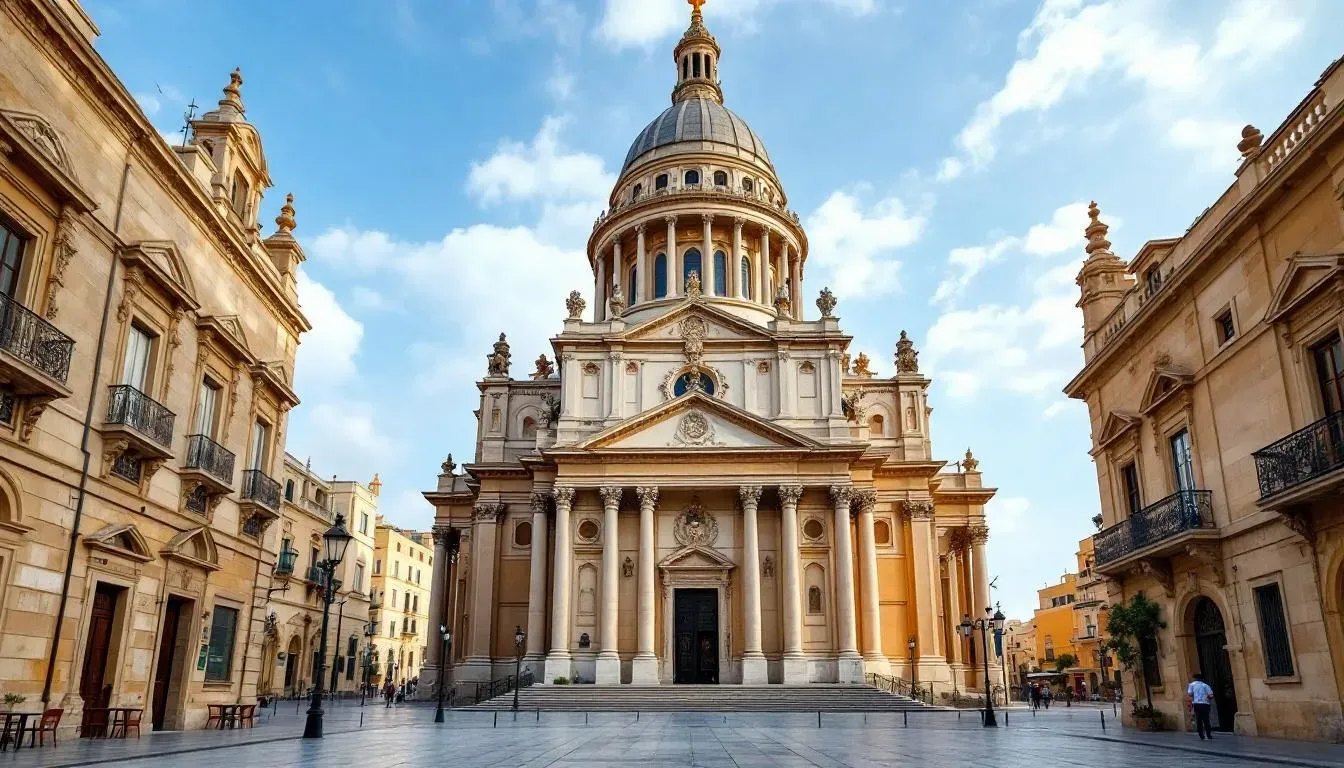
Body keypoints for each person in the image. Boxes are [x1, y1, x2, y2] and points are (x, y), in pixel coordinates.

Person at [1187, 672, 1215, 740]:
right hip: (1205, 704)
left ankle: (1201, 735)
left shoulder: (1191, 685)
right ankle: (1209, 735)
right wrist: (1206, 697)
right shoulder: (1205, 685)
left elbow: (1190, 694)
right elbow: (1211, 695)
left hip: (1197, 704)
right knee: (1206, 720)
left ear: (1194, 678)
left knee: (1199, 720)